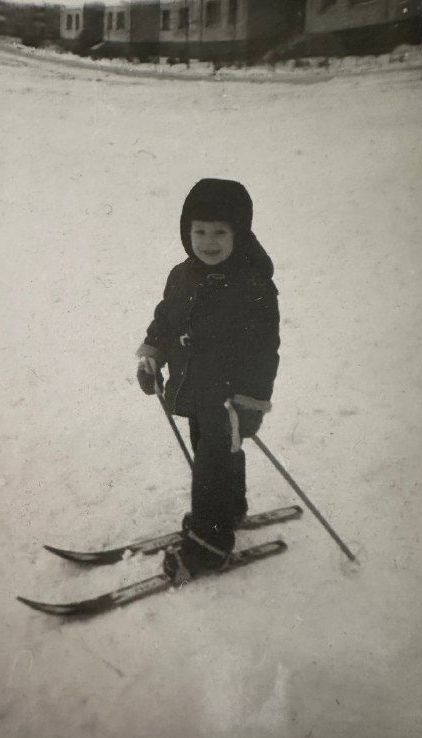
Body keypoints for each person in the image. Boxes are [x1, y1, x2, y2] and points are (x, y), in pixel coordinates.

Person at [136, 178, 280, 583]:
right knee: (215, 458)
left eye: (220, 232)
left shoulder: (254, 287)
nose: (208, 241)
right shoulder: (182, 276)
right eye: (199, 231)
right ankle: (229, 510)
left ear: (240, 233)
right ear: (187, 232)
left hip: (231, 401)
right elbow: (166, 320)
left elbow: (264, 352)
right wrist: (153, 353)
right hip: (195, 391)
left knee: (211, 470)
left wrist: (251, 402)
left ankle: (209, 547)